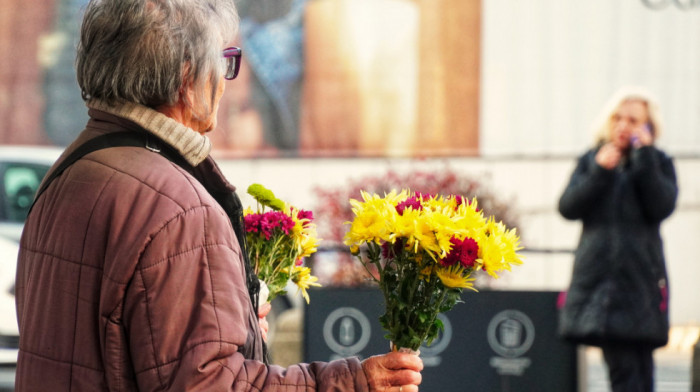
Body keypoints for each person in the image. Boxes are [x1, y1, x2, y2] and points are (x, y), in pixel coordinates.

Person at [14, 1, 423, 391]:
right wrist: (353, 383)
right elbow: (208, 384)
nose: (226, 86)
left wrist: (236, 333)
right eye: (225, 63)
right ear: (187, 78)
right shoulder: (179, 209)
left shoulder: (68, 173)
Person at [557, 86, 678, 392]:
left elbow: (662, 205)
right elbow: (568, 206)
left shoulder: (657, 161)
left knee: (641, 369)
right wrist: (599, 171)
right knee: (623, 370)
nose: (624, 125)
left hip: (642, 280)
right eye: (618, 118)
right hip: (603, 283)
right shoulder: (592, 159)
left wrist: (645, 158)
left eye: (634, 120)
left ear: (648, 127)